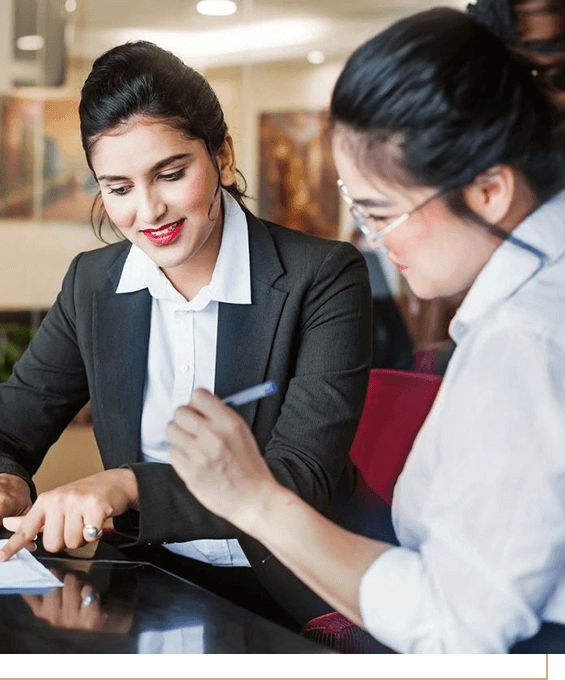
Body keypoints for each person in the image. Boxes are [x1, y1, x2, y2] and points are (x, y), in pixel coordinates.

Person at [168, 0, 565, 653]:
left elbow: (458, 626)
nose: (374, 242)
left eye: (380, 211)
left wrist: (256, 500)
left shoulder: (527, 341)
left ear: (490, 190)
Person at [0, 40, 375, 628]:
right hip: (147, 582)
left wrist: (127, 487)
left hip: (300, 588)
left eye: (170, 174)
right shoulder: (92, 285)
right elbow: (3, 431)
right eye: (119, 187)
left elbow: (300, 477)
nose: (148, 210)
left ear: (223, 157)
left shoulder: (323, 276)